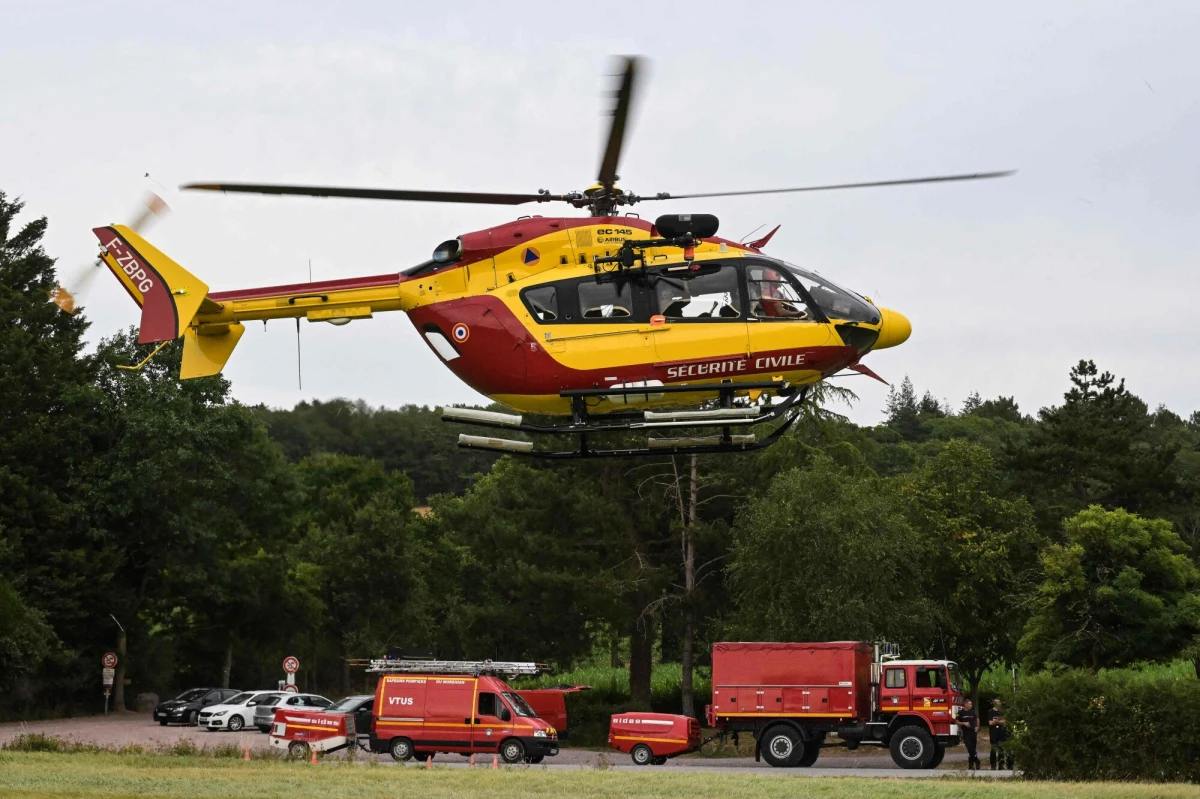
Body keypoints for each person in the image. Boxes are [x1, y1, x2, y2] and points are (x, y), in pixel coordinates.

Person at [988, 697, 1013, 770]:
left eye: (999, 702)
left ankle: (1001, 764)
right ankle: (993, 765)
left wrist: (996, 721)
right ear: (994, 703)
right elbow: (990, 723)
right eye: (997, 702)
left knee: (1001, 748)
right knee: (993, 748)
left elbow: (1004, 722)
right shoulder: (990, 712)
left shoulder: (1002, 712)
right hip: (993, 732)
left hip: (1001, 732)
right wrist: (998, 720)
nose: (999, 704)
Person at [958, 699, 981, 770]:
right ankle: (977, 761)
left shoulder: (972, 712)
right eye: (970, 704)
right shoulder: (961, 712)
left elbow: (977, 719)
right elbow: (956, 721)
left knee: (973, 748)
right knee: (969, 748)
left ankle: (971, 765)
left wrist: (977, 727)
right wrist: (963, 723)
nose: (971, 705)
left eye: (971, 704)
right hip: (966, 732)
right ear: (965, 704)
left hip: (973, 732)